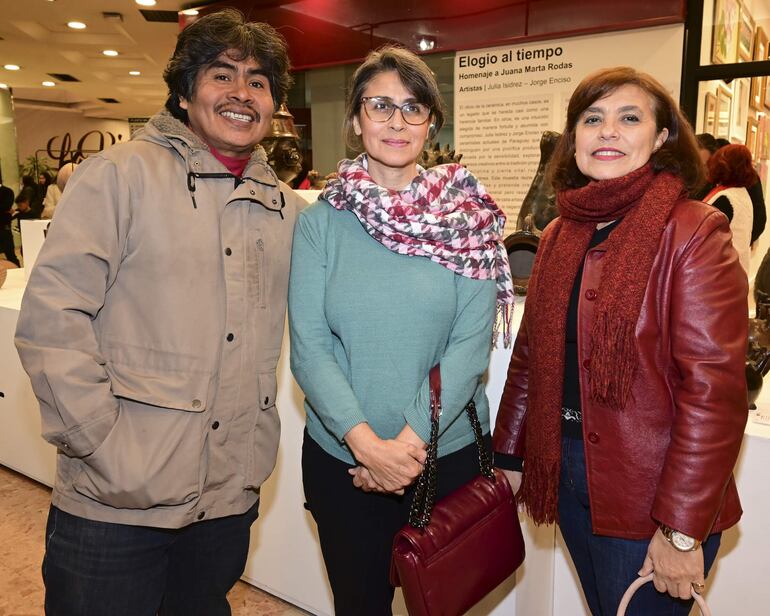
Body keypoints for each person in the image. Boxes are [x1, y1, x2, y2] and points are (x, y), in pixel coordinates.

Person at [14, 9, 303, 616]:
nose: (241, 95)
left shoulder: (285, 208)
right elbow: (51, 320)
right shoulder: (118, 177)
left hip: (226, 499)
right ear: (183, 88)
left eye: (258, 81)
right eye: (222, 75)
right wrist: (100, 443)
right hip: (115, 502)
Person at [493, 67, 748, 616]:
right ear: (574, 139)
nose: (607, 131)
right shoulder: (562, 232)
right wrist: (509, 458)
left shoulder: (693, 232)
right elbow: (532, 358)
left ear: (660, 139)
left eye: (628, 118)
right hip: (569, 478)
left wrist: (680, 531)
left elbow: (715, 396)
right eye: (592, 118)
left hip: (650, 496)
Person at [288, 45, 514, 616]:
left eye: (413, 108)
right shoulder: (319, 224)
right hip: (344, 457)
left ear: (431, 123)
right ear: (356, 119)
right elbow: (310, 348)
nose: (396, 121)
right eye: (380, 105)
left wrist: (404, 451)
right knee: (359, 603)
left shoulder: (467, 219)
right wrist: (366, 445)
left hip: (446, 457)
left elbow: (469, 347)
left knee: (442, 603)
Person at [704, 144, 757, 274]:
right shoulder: (741, 194)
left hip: (721, 274)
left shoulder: (726, 198)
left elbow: (705, 236)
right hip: (735, 271)